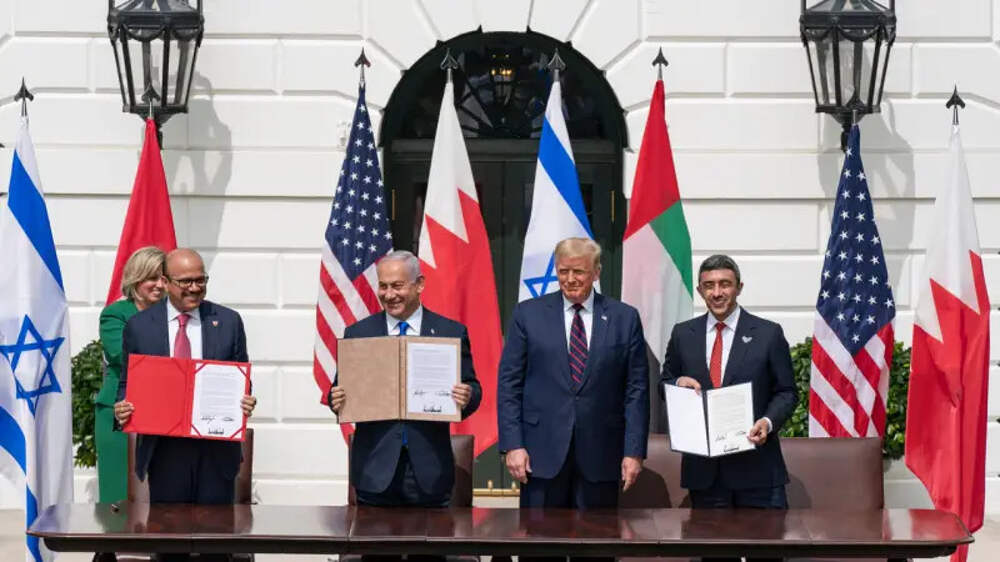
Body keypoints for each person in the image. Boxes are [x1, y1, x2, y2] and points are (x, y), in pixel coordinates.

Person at [497, 237, 649, 562]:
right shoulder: (528, 314)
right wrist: (513, 445)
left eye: (578, 272)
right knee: (539, 550)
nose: (570, 279)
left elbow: (636, 390)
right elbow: (509, 384)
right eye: (563, 271)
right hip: (540, 457)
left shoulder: (624, 318)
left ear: (596, 272)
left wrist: (634, 451)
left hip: (601, 457)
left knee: (596, 549)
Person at [114, 248, 257, 562]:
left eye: (200, 280)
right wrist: (122, 407)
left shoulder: (228, 321)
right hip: (165, 452)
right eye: (186, 282)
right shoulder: (139, 326)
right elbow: (127, 383)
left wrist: (246, 399)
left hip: (215, 452)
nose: (195, 288)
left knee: (215, 546)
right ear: (165, 282)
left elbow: (241, 378)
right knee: (169, 546)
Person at [660, 254, 797, 562]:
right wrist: (677, 383)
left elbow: (787, 392)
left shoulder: (768, 333)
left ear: (739, 288)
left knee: (767, 556)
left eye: (725, 284)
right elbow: (664, 383)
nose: (717, 292)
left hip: (758, 471)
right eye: (709, 286)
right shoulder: (683, 334)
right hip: (706, 475)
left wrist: (767, 421)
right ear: (700, 290)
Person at [328, 250, 481, 513]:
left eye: (397, 286)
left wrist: (467, 396)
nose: (389, 295)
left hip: (429, 473)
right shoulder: (359, 334)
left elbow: (473, 388)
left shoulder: (449, 332)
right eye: (383, 286)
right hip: (375, 471)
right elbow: (339, 391)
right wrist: (336, 399)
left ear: (419, 284)